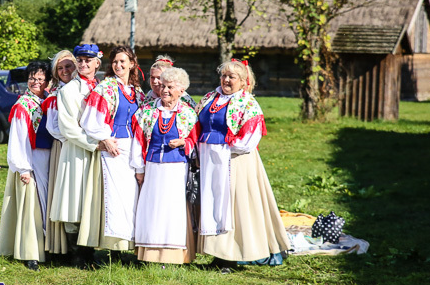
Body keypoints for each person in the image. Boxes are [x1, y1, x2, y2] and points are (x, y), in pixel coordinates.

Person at [196, 59, 291, 273]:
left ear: (243, 81)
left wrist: (222, 148)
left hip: (235, 161)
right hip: (210, 160)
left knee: (232, 208)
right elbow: (196, 123)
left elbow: (249, 139)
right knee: (213, 205)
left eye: (232, 77)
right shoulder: (210, 97)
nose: (227, 80)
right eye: (224, 75)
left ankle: (231, 257)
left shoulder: (248, 103)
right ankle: (216, 255)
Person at [130, 67, 200, 264]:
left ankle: (173, 255)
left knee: (172, 209)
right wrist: (140, 169)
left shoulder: (187, 114)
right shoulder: (148, 111)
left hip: (176, 169)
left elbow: (195, 142)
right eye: (163, 86)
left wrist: (183, 143)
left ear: (181, 90)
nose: (165, 90)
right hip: (153, 167)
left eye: (170, 87)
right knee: (152, 207)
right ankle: (149, 254)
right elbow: (138, 140)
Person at [80, 45, 145, 253]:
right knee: (115, 198)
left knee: (130, 197)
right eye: (115, 62)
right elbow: (89, 120)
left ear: (132, 64)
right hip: (114, 147)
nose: (118, 65)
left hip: (132, 147)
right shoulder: (105, 88)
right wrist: (105, 138)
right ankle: (113, 247)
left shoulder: (137, 92)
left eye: (123, 62)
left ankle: (129, 244)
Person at [49, 44, 104, 268]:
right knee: (75, 200)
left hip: (100, 153)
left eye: (88, 60)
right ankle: (79, 255)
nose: (83, 64)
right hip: (78, 151)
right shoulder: (68, 91)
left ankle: (91, 251)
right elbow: (68, 128)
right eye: (80, 60)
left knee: (93, 200)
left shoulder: (104, 88)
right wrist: (95, 144)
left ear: (97, 63)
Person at [0, 61, 54, 271]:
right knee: (33, 207)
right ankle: (31, 253)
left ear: (47, 81)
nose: (36, 82)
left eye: (40, 79)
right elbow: (18, 138)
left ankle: (49, 247)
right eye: (32, 78)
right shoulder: (24, 105)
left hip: (50, 158)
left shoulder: (49, 100)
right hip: (32, 158)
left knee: (47, 204)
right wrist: (23, 168)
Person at [42, 50, 77, 258]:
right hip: (63, 147)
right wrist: (73, 140)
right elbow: (54, 128)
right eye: (60, 68)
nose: (65, 71)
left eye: (68, 66)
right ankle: (63, 247)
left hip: (80, 146)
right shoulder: (56, 95)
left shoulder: (85, 89)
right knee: (62, 195)